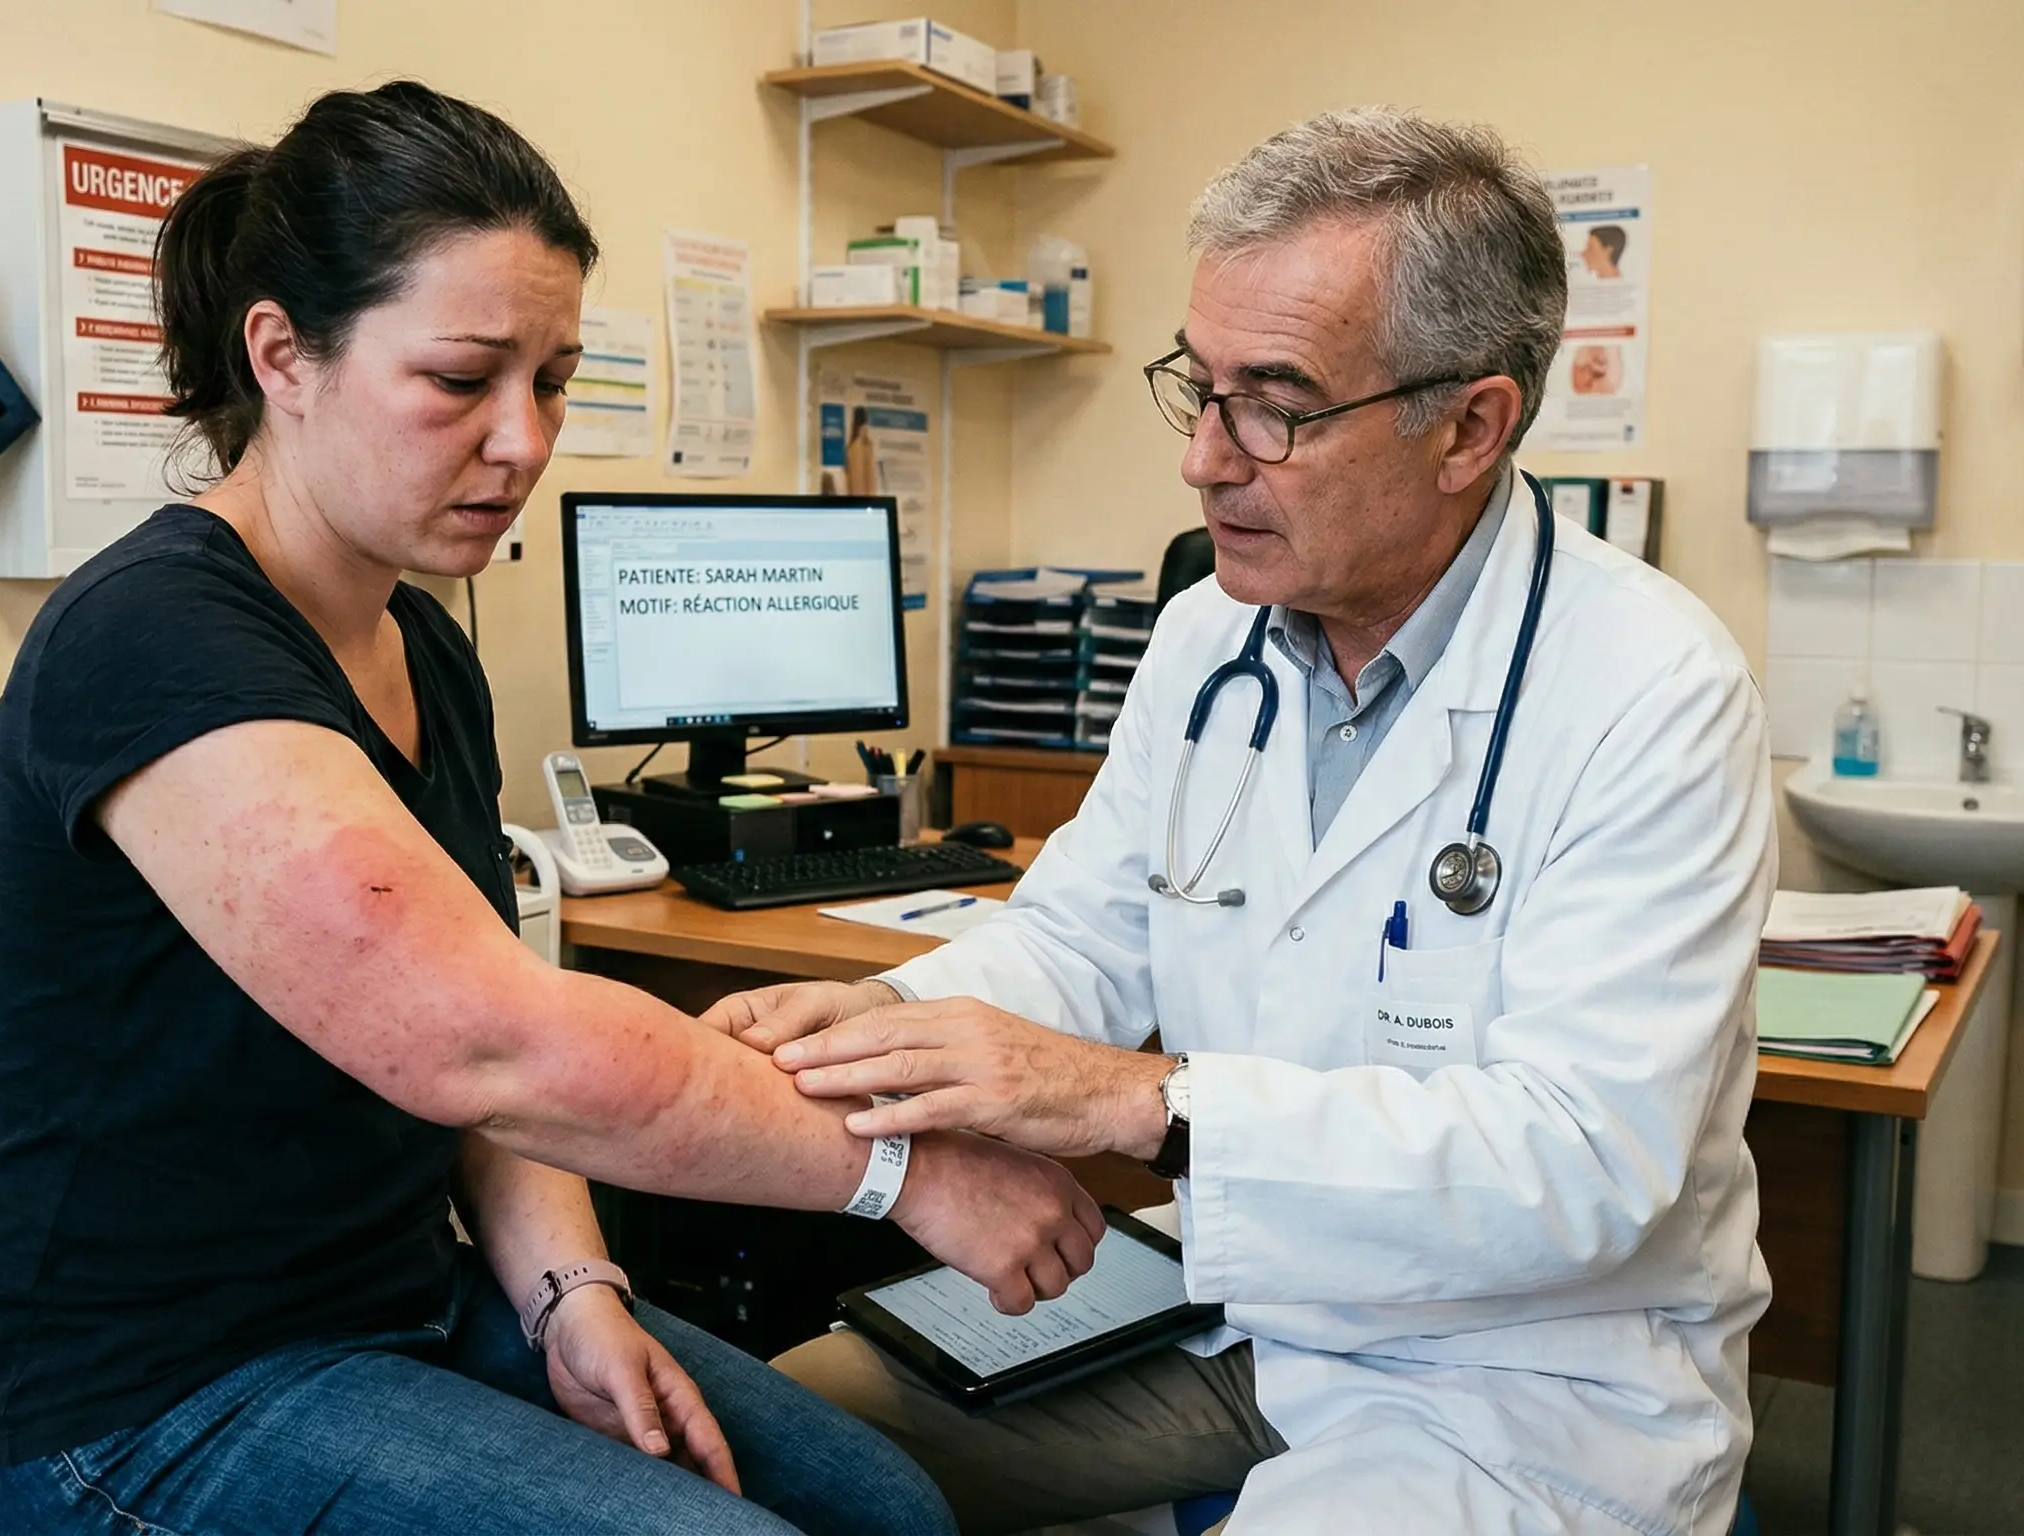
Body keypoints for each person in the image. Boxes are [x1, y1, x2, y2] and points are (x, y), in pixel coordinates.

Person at [0, 81, 1101, 1536]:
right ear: (282, 355)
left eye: (549, 379)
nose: (524, 440)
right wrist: (903, 1176)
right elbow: (489, 1048)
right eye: (462, 380)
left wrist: (571, 1292)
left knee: (887, 1509)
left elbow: (489, 1038)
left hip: (399, 1304)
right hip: (139, 1401)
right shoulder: (153, 639)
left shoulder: (422, 645)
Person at [716, 108, 1772, 1536]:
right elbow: (1080, 940)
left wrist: (1124, 1100)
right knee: (753, 1456)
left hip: (1509, 1377)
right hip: (1221, 1299)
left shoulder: (1650, 685)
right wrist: (878, 1024)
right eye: (1196, 388)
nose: (1204, 461)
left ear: (1469, 425)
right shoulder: (1207, 636)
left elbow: (1583, 1164)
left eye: (1272, 404)